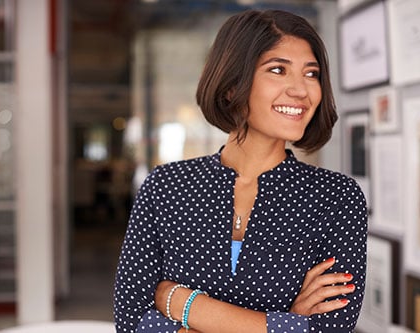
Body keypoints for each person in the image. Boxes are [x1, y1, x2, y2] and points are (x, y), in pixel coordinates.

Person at [114, 9, 368, 333]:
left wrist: (180, 302)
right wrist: (286, 323)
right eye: (278, 70)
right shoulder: (166, 187)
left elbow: (330, 327)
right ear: (233, 85)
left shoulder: (337, 198)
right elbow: (131, 319)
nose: (301, 90)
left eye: (311, 73)